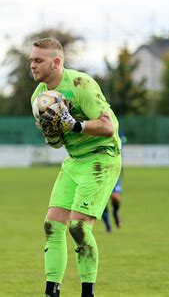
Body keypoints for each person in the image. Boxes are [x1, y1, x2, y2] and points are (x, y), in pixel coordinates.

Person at [29, 38, 122, 297]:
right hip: (74, 160)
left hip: (101, 156)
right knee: (52, 225)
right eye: (31, 60)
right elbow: (57, 144)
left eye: (38, 60)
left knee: (78, 227)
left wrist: (74, 124)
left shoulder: (81, 84)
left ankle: (88, 293)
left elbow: (108, 128)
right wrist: (51, 132)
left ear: (56, 62)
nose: (32, 65)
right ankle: (52, 292)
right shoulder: (38, 97)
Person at [102, 130, 126, 233]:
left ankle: (115, 213)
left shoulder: (115, 130)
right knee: (102, 203)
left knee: (115, 198)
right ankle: (108, 226)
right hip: (100, 173)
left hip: (113, 172)